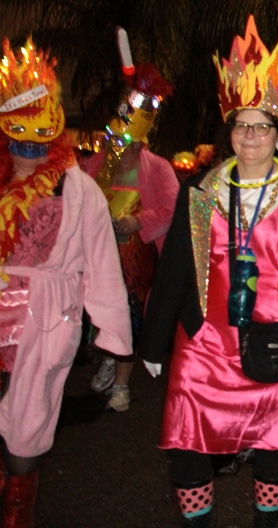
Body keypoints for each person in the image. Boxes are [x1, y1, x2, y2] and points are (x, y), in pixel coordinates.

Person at [139, 16, 278, 528]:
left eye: (262, 126)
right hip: (205, 342)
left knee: (275, 445)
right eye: (241, 125)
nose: (250, 135)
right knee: (187, 444)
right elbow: (174, 269)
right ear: (228, 132)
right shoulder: (200, 191)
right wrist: (153, 341)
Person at [0, 37, 131, 527]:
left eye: (41, 129)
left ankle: (18, 512)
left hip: (43, 320)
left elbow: (102, 263)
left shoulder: (79, 188)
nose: (29, 144)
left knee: (27, 426)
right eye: (18, 129)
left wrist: (114, 331)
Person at [82, 62, 180, 412]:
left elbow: (172, 209)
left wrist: (138, 221)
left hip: (136, 260)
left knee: (129, 314)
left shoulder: (158, 168)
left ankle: (122, 383)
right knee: (97, 311)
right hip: (99, 254)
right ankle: (109, 358)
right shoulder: (97, 164)